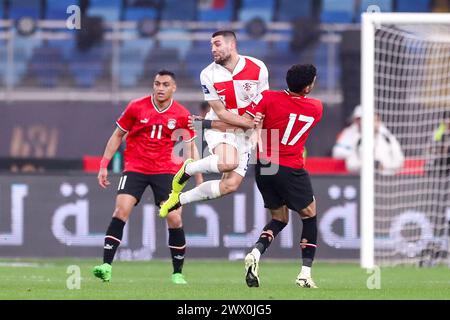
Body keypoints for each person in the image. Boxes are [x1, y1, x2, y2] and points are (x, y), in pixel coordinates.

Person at [92, 70, 202, 284]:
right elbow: (117, 135)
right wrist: (104, 164)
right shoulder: (136, 106)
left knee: (175, 218)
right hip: (136, 167)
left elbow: (189, 146)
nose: (160, 88)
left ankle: (177, 273)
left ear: (173, 88)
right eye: (157, 84)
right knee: (120, 210)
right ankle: (106, 266)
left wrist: (197, 174)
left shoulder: (181, 114)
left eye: (165, 84)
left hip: (167, 170)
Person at [159, 30, 268, 218]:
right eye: (211, 45)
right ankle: (189, 169)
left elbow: (263, 102)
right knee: (228, 162)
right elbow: (221, 112)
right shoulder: (208, 74)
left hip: (245, 132)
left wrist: (255, 128)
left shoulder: (258, 67)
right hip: (220, 126)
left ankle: (179, 199)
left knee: (229, 185)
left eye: (217, 44)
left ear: (232, 45)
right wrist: (248, 123)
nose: (213, 49)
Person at [243, 64, 323, 288]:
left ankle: (256, 253)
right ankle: (305, 274)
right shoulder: (316, 107)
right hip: (290, 166)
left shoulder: (267, 98)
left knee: (280, 218)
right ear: (307, 87)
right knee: (309, 215)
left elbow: (250, 120)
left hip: (264, 167)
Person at [332, 105, 405, 175]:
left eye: (375, 120)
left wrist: (385, 166)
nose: (373, 123)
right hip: (363, 181)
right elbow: (350, 164)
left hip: (387, 180)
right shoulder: (357, 139)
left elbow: (399, 160)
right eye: (359, 119)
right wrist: (366, 166)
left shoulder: (387, 137)